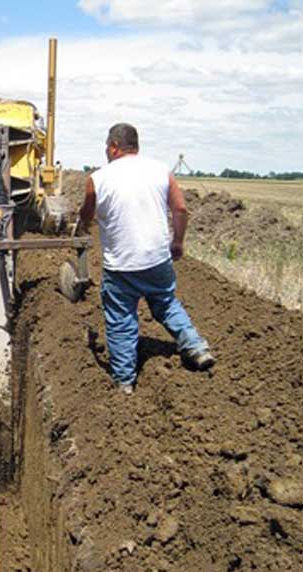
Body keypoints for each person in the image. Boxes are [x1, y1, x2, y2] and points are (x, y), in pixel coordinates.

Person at [78, 123, 215, 395]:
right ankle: (197, 348)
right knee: (166, 303)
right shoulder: (161, 171)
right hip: (157, 260)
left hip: (121, 267)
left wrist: (81, 228)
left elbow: (87, 214)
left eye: (108, 146)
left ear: (115, 147)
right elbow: (180, 208)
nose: (106, 151)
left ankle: (124, 381)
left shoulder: (98, 179)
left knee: (121, 320)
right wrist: (177, 241)